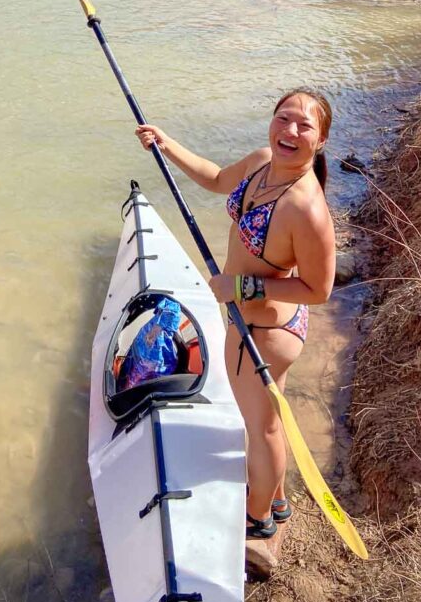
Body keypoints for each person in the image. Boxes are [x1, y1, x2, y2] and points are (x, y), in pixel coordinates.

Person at [136, 90, 335, 540]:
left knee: (260, 430)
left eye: (304, 126)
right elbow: (216, 178)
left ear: (320, 140)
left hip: (264, 331)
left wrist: (242, 286)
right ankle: (277, 500)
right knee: (267, 418)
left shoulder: (307, 209)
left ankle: (258, 518)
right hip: (248, 320)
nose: (290, 130)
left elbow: (318, 290)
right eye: (283, 118)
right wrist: (166, 144)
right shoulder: (263, 161)